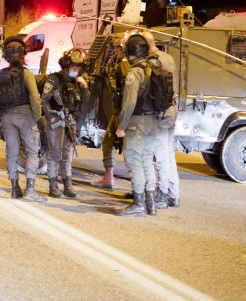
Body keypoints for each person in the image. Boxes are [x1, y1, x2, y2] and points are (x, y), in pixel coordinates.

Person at [0, 36, 45, 202]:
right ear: (23, 55)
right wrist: (36, 116)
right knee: (32, 152)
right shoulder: (26, 74)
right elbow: (35, 97)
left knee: (12, 153)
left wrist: (0, 116)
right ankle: (30, 190)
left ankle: (14, 188)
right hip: (26, 117)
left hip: (7, 117)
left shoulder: (0, 76)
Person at [114, 33, 158, 217]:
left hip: (136, 123)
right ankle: (151, 203)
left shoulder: (134, 73)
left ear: (130, 52)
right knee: (147, 160)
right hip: (152, 122)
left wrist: (122, 126)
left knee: (134, 161)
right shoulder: (152, 68)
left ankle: (138, 203)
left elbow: (129, 103)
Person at [40, 48, 90, 199]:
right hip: (56, 120)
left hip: (71, 121)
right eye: (74, 67)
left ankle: (68, 186)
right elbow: (43, 100)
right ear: (67, 66)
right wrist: (52, 116)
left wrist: (85, 86)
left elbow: (86, 102)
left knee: (67, 155)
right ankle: (53, 186)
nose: (76, 70)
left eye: (78, 67)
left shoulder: (79, 81)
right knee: (54, 153)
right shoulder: (54, 79)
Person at [144, 31, 180, 209]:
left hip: (160, 113)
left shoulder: (152, 62)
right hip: (171, 109)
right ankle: (174, 194)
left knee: (159, 155)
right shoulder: (168, 57)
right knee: (168, 154)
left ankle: (162, 194)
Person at [91, 43, 128, 190]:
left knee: (131, 150)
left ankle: (140, 191)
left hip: (124, 112)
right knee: (107, 142)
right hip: (118, 111)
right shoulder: (121, 63)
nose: (115, 51)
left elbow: (127, 90)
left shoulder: (125, 64)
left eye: (118, 48)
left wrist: (123, 120)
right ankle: (108, 177)